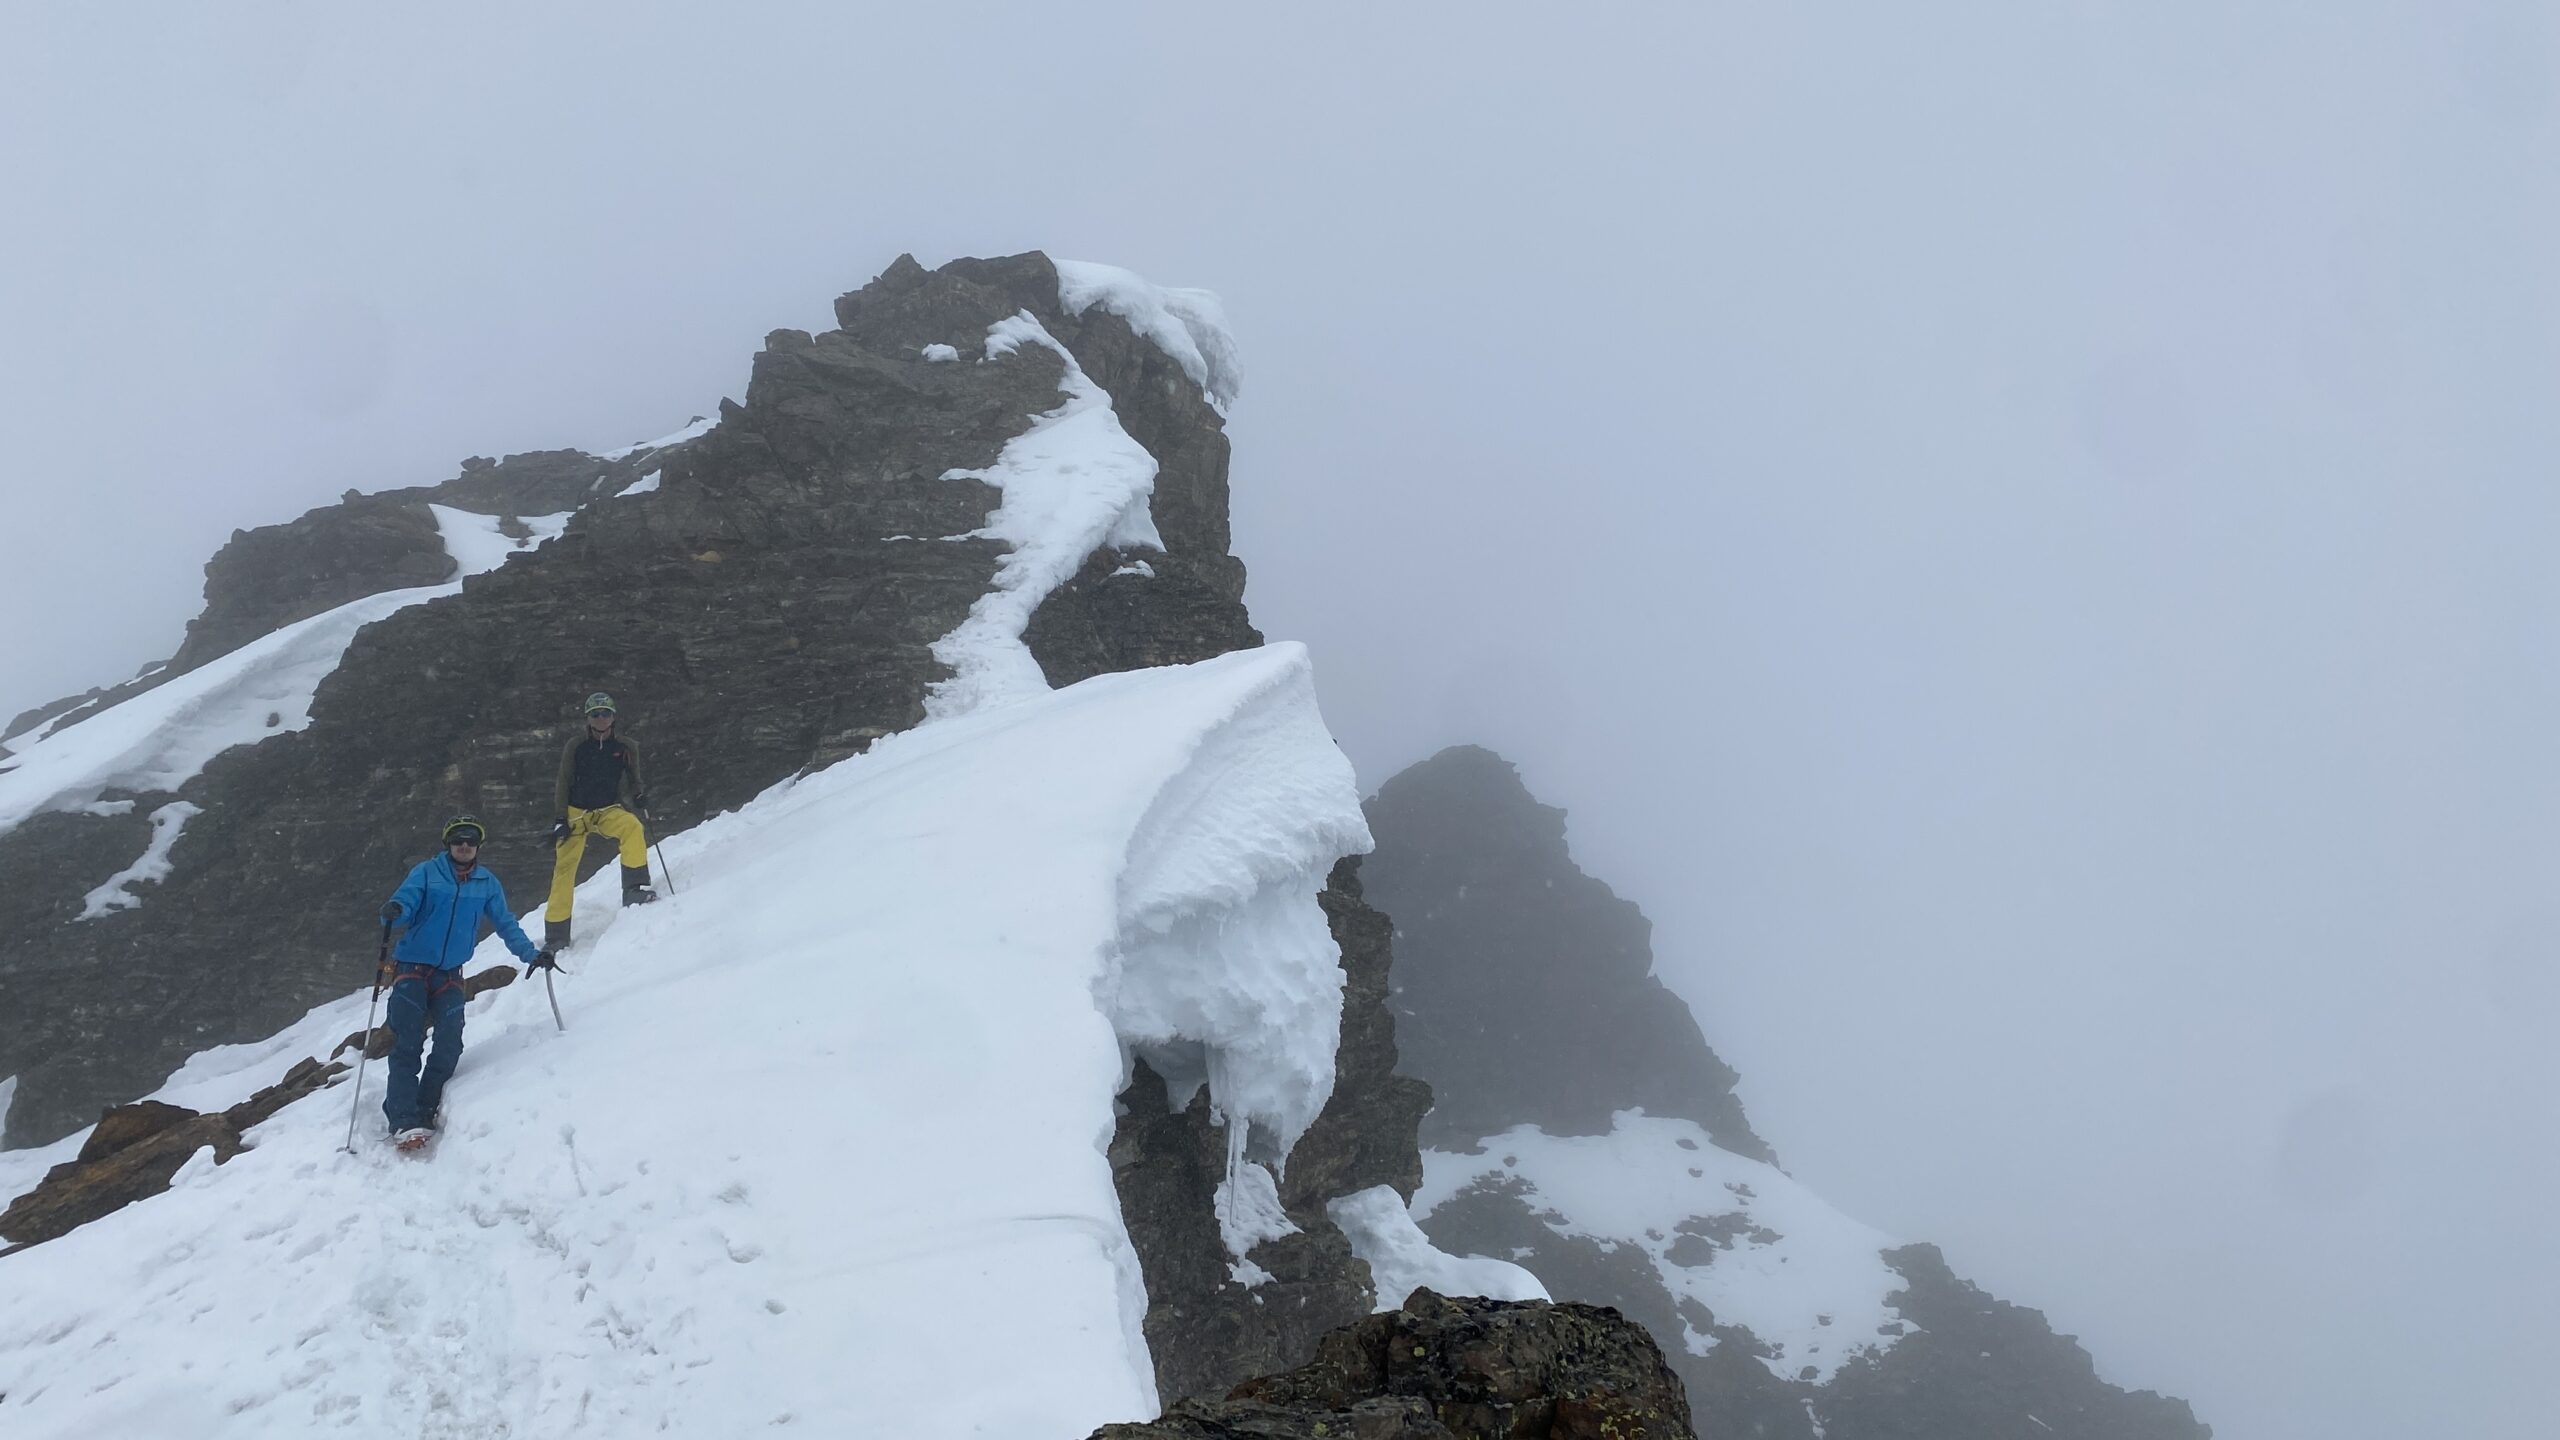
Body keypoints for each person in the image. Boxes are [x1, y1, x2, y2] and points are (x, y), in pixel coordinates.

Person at [377, 815, 553, 1149]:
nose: (465, 845)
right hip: (412, 968)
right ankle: (403, 1119)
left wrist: (531, 954)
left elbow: (505, 923)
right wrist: (396, 909)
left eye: (471, 840)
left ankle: (425, 1108)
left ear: (479, 845)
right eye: (458, 839)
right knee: (408, 1042)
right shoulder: (426, 873)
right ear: (448, 843)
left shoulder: (487, 883)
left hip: (450, 974)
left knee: (449, 1043)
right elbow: (406, 902)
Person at [544, 690, 654, 950]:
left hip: (607, 810)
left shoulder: (626, 747)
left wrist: (638, 795)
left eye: (605, 713)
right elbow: (563, 781)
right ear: (588, 718)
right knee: (564, 869)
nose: (601, 718)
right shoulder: (576, 746)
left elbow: (634, 778)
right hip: (575, 813)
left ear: (613, 717)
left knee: (632, 827)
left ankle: (633, 890)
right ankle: (556, 934)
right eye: (595, 714)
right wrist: (560, 818)